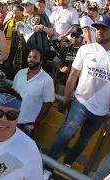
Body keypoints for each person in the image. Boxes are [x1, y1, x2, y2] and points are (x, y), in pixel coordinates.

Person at [43, 15, 110, 180]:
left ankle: (68, 162)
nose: (99, 32)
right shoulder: (86, 49)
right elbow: (73, 76)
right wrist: (66, 98)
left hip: (101, 111)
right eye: (97, 28)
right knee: (67, 132)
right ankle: (47, 167)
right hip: (81, 102)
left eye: (103, 28)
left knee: (84, 142)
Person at [12, 48, 55, 138]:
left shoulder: (47, 80)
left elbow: (48, 103)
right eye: (30, 57)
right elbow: (12, 94)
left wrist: (35, 124)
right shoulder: (20, 73)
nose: (31, 59)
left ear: (41, 61)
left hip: (28, 125)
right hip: (12, 119)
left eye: (35, 57)